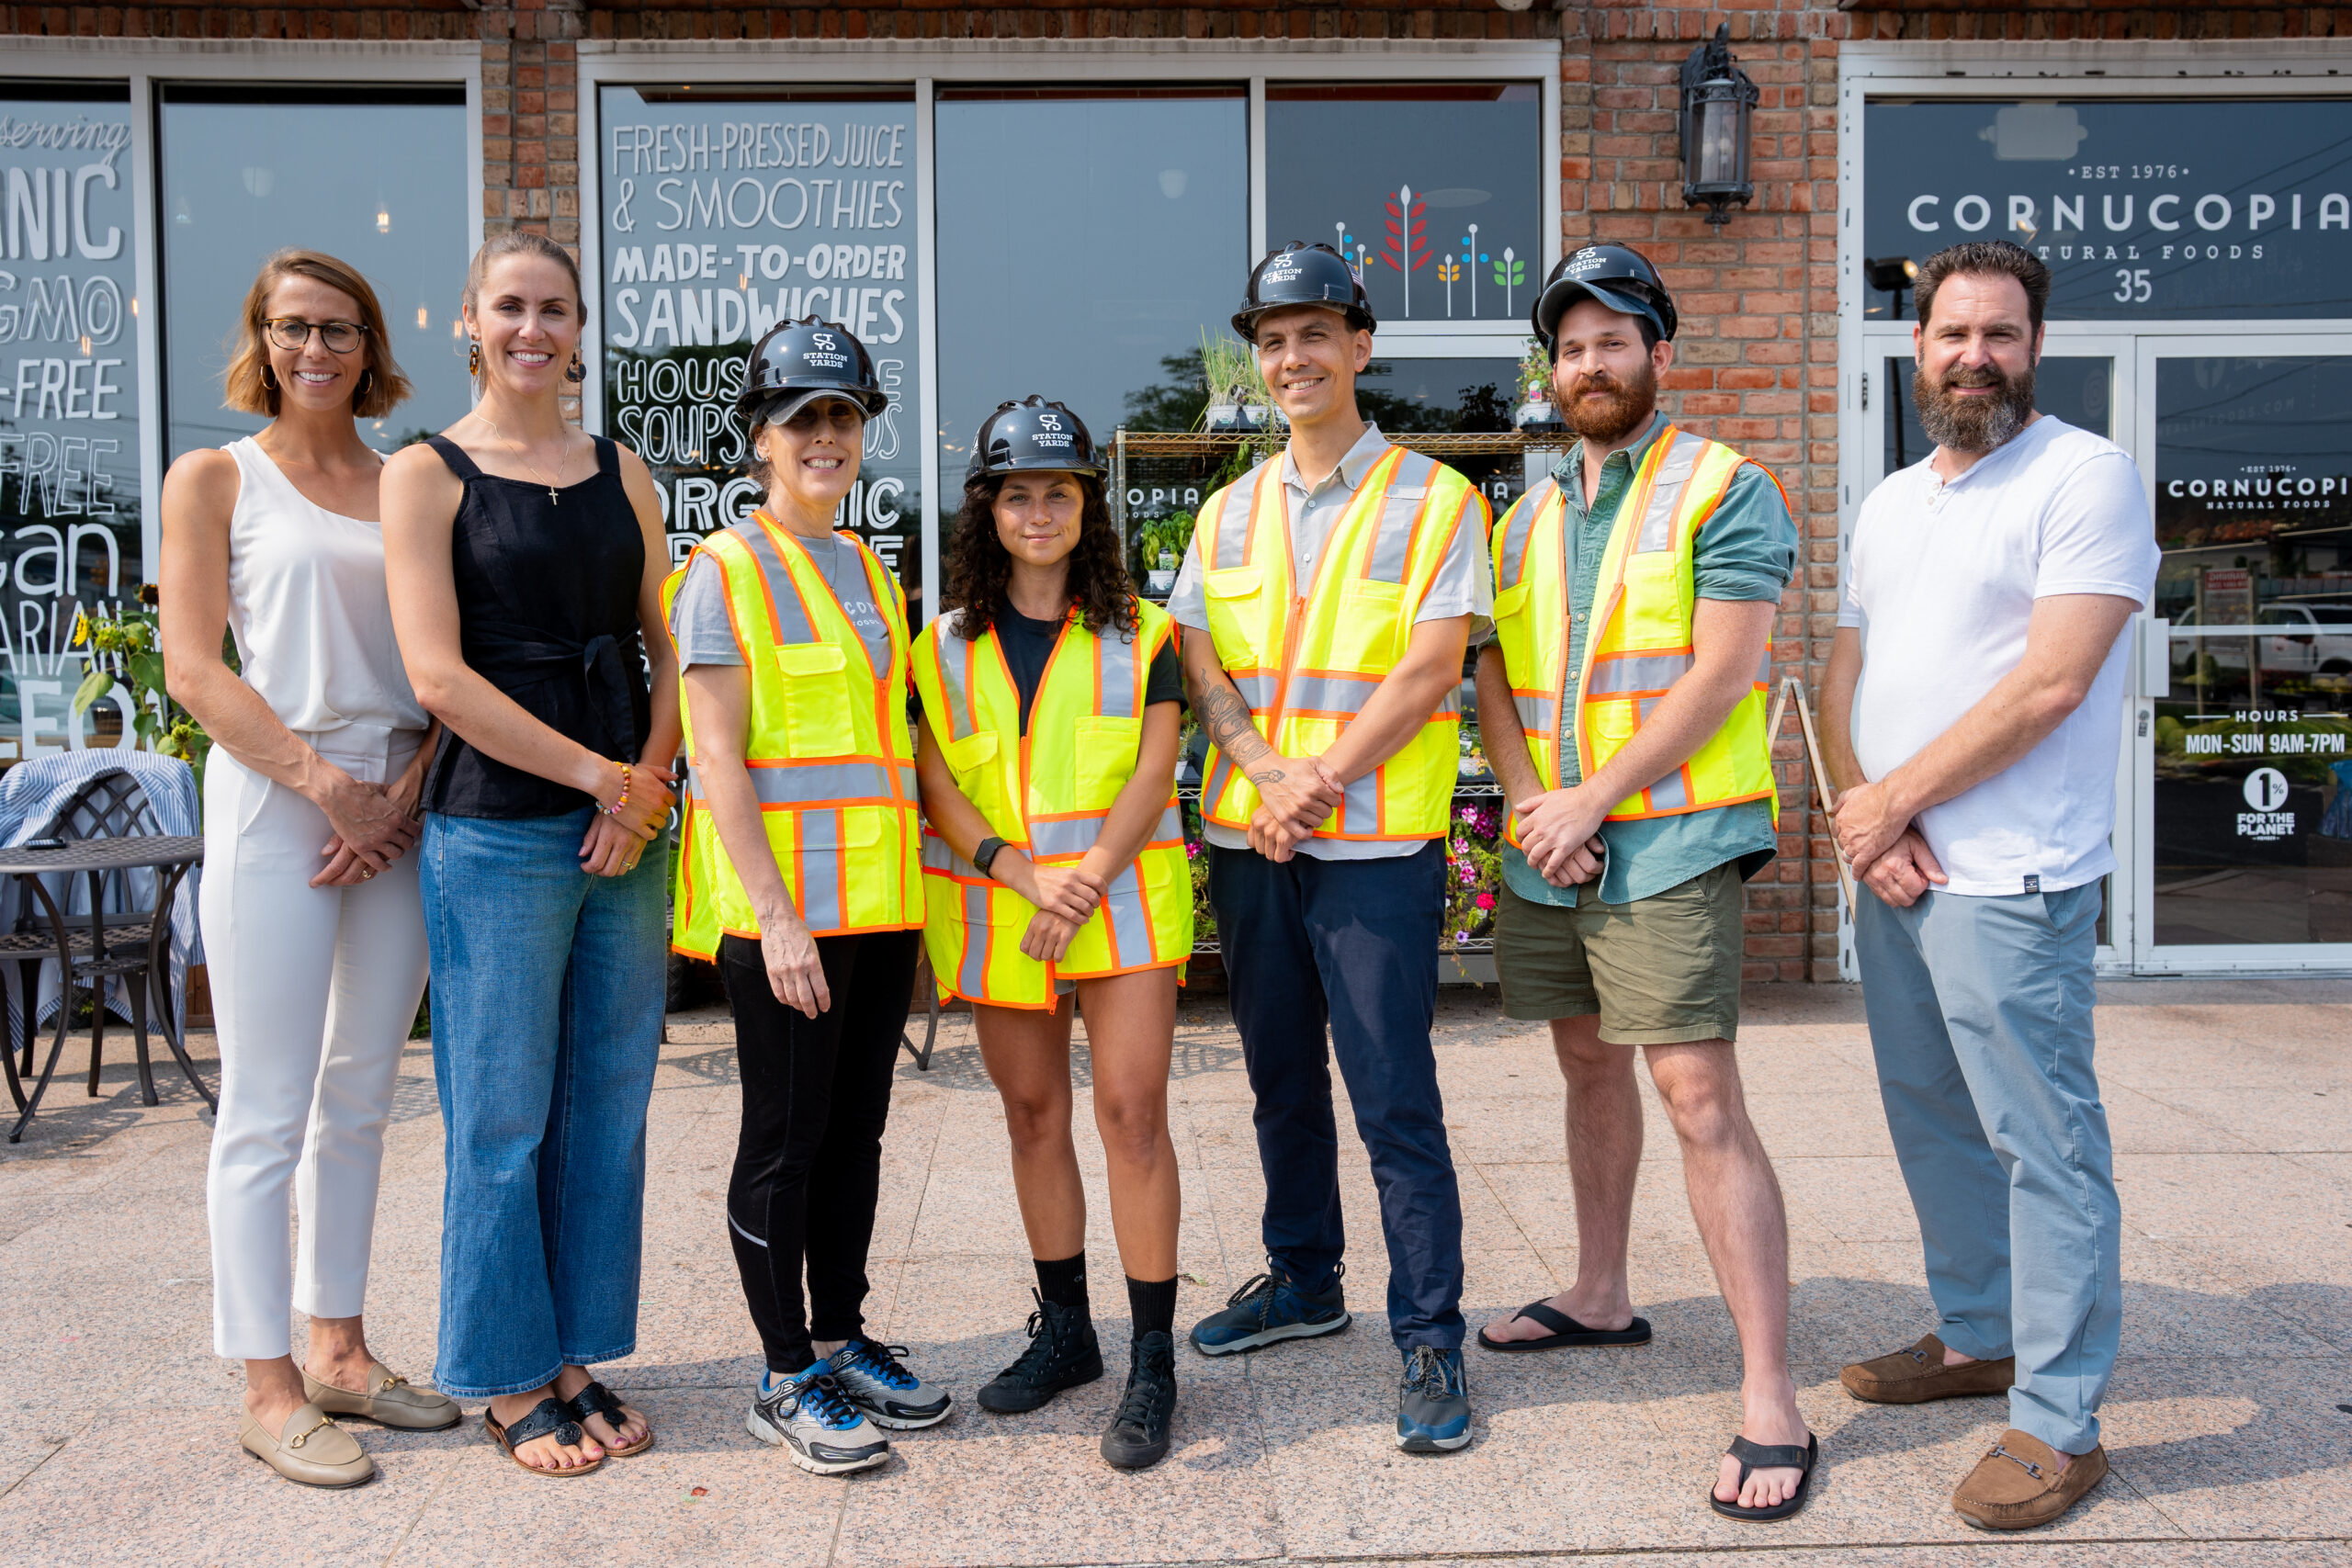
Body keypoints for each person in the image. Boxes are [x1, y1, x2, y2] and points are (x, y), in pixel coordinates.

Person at [1474, 243, 1814, 1522]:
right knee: (1582, 1059)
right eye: (1571, 346)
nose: (1591, 363)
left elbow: (1724, 673)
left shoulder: (1726, 487)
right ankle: (1602, 1291)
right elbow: (1496, 676)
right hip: (1553, 842)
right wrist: (1529, 806)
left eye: (1615, 340)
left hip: (1665, 836)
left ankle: (1772, 1390)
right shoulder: (1534, 510)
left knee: (1697, 1091)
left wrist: (1591, 801)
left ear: (1660, 355)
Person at [1822, 239, 2155, 1532]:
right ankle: (1977, 1332)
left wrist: (1897, 799)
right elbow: (1844, 673)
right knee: (1931, 1115)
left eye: (2000, 334)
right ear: (1916, 350)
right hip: (1898, 872)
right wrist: (1866, 819)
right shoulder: (1895, 498)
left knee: (2045, 1141)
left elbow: (2052, 681)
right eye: (1952, 333)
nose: (1975, 354)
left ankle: (2061, 1418)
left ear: (2035, 346)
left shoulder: (2085, 475)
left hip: (2012, 874)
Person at [1170, 242, 1491, 1453]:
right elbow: (1201, 654)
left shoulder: (1435, 497)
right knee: (1280, 1082)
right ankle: (1305, 1277)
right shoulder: (1227, 507)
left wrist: (1324, 779)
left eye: (1316, 332)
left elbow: (1431, 661)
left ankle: (1430, 1334)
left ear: (1362, 344)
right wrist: (1259, 767)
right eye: (1274, 337)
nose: (1293, 356)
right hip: (1254, 839)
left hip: (1372, 851)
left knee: (1393, 1096)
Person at [381, 231, 678, 1478]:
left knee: (607, 1104)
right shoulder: (426, 473)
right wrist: (599, 773)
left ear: (580, 325)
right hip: (499, 824)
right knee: (500, 1110)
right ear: (468, 319)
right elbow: (437, 674)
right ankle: (506, 1371)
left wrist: (650, 781)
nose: (533, 330)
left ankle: (572, 1349)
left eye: (554, 308)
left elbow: (670, 640)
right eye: (510, 306)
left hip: (630, 823)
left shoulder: (626, 468)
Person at [165, 249, 455, 1489]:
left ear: (370, 341)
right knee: (266, 1101)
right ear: (263, 338)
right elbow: (192, 666)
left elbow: (451, 657)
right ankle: (266, 1380)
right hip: (278, 797)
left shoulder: (407, 483)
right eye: (293, 328)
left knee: (360, 1091)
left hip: (398, 800)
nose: (317, 349)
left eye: (339, 328)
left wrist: (401, 788)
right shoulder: (215, 476)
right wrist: (323, 781)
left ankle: (337, 1345)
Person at [664, 317, 949, 1478]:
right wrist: (778, 918)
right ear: (759, 442)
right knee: (783, 1144)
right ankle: (783, 1375)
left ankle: (840, 1335)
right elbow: (717, 758)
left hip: (877, 909)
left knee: (857, 1138)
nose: (826, 436)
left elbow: (890, 745)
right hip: (784, 919)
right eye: (802, 420)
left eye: (842, 416)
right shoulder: (722, 573)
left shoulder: (868, 567)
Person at [913, 397, 1192, 1471]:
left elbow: (1154, 768)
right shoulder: (938, 645)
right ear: (987, 511)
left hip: (1117, 905)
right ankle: (1068, 1334)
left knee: (1131, 1117)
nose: (1038, 511)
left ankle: (1153, 1360)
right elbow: (937, 781)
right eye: (1017, 493)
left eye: (1058, 492)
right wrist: (1017, 872)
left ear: (1088, 506)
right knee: (1034, 1117)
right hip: (999, 908)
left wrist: (1081, 882)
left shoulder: (1146, 629)